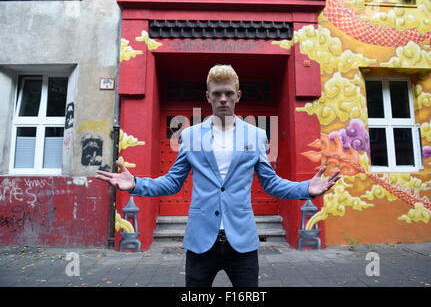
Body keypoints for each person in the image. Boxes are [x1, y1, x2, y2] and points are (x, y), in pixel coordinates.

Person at [96, 64, 341, 287]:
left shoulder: (256, 136)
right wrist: (135, 184)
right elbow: (172, 182)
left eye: (228, 93)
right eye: (216, 94)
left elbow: (271, 183)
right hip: (201, 241)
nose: (223, 99)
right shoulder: (190, 136)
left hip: (242, 241)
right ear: (208, 97)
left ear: (238, 95)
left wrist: (306, 189)